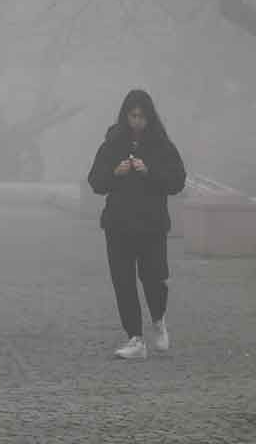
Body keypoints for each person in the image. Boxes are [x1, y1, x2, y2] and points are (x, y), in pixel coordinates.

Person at [87, 89, 186, 360]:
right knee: (123, 281)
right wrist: (114, 173)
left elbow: (178, 181)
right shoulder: (112, 143)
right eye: (133, 116)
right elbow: (95, 181)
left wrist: (149, 173)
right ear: (125, 115)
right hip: (118, 224)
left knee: (154, 278)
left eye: (142, 116)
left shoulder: (162, 145)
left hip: (151, 224)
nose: (137, 121)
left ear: (149, 117)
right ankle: (135, 338)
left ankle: (158, 319)